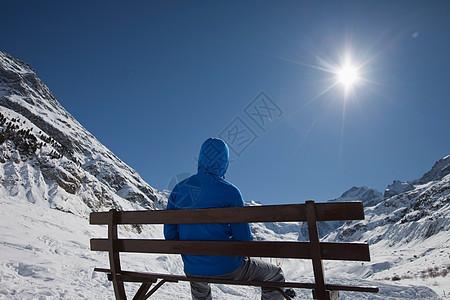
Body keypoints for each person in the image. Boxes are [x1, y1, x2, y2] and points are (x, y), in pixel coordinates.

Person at [164, 137, 290, 300]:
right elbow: (244, 240)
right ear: (225, 162)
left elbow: (170, 236)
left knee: (198, 282)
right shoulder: (231, 192)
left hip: (193, 268)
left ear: (201, 158)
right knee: (275, 275)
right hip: (228, 268)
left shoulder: (178, 190)